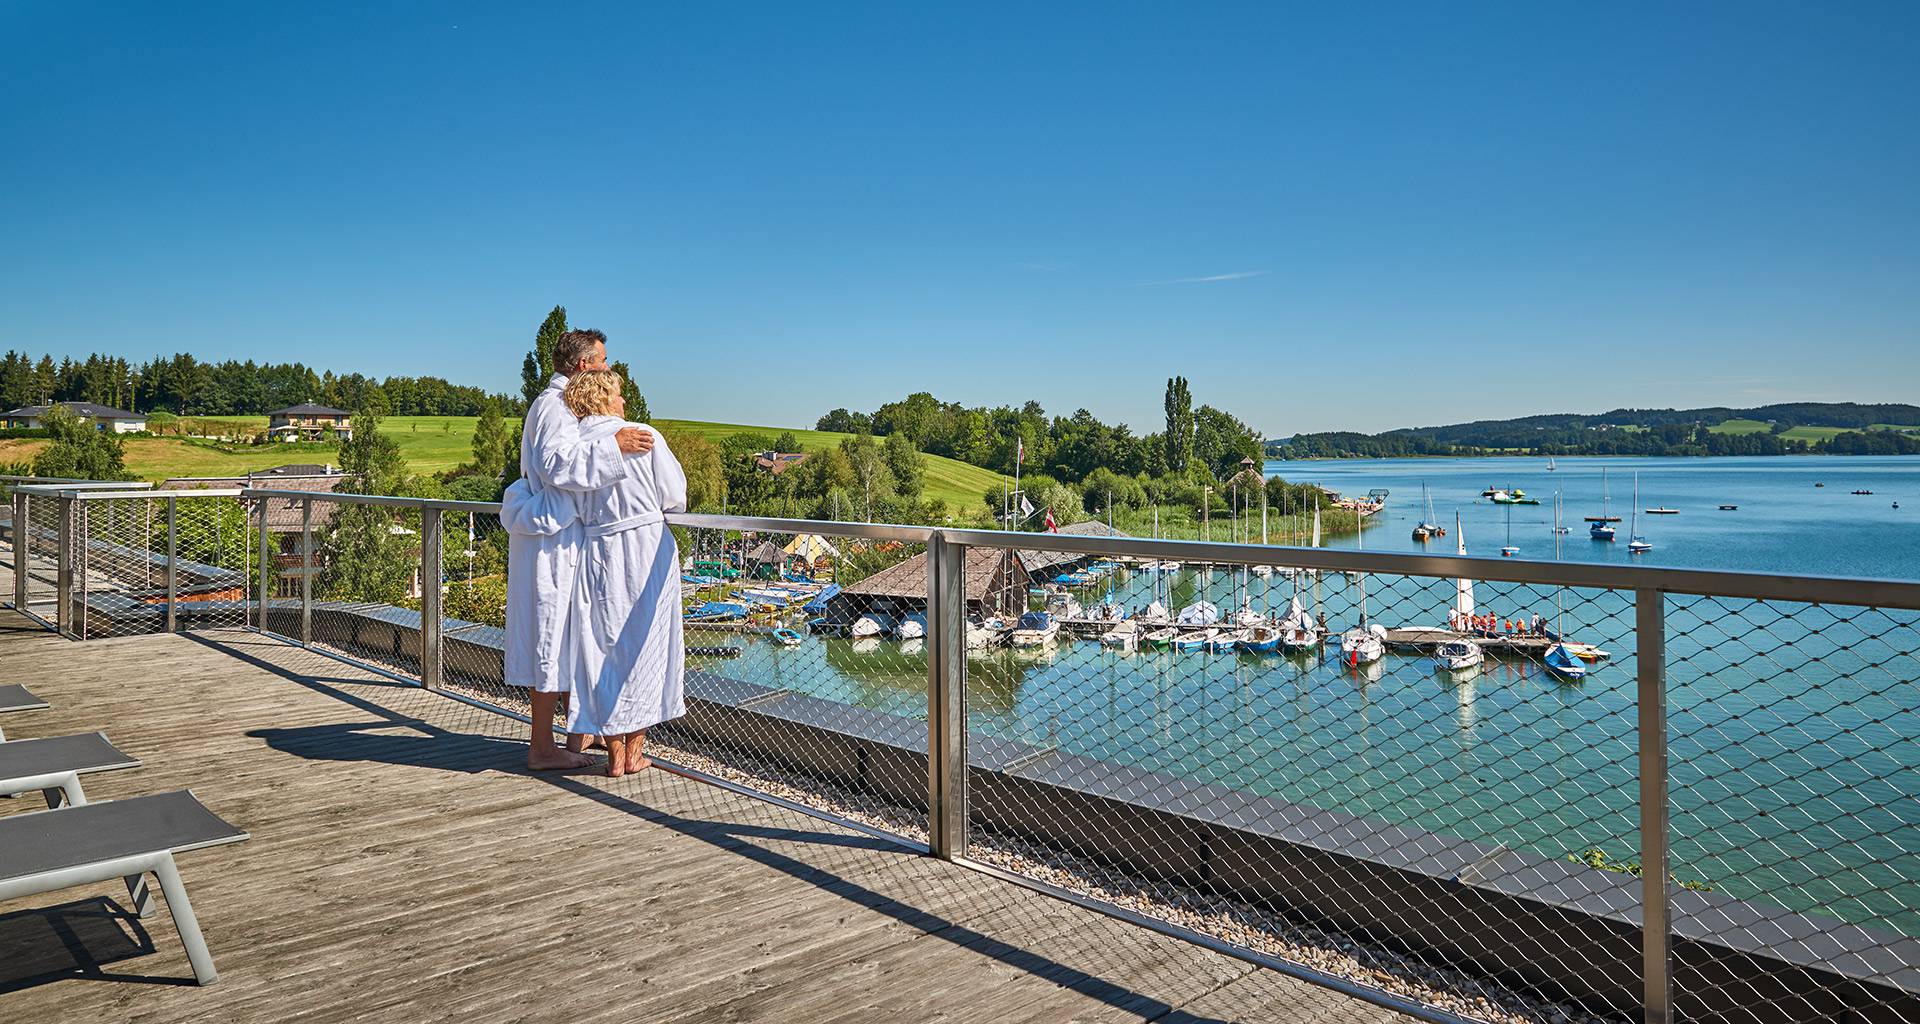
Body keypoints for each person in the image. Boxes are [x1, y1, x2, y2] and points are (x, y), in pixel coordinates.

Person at [500, 329, 652, 771]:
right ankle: (542, 748)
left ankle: (580, 733)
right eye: (603, 360)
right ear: (584, 365)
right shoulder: (553, 405)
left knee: (569, 638)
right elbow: (555, 464)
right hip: (553, 542)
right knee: (551, 639)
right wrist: (614, 446)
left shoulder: (561, 404)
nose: (608, 367)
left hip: (562, 537)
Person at [555, 369, 687, 777]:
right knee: (648, 647)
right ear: (602, 397)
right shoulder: (641, 435)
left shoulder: (573, 447)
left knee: (602, 649)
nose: (624, 401)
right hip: (647, 547)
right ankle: (634, 753)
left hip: (598, 550)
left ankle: (613, 753)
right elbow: (675, 495)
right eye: (618, 393)